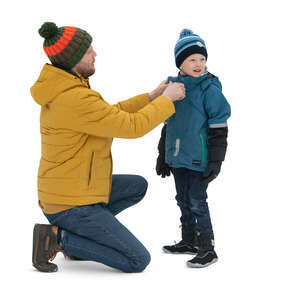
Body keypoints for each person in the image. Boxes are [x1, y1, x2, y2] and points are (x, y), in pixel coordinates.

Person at [30, 22, 185, 273]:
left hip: (68, 189)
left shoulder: (69, 87)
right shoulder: (74, 98)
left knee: (137, 186)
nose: (95, 54)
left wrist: (152, 97)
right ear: (73, 58)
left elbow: (111, 115)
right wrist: (167, 101)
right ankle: (59, 238)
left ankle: (80, 239)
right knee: (137, 260)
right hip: (70, 205)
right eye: (88, 50)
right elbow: (131, 126)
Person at [156, 29, 231, 268]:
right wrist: (162, 155)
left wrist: (216, 161)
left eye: (202, 59)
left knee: (197, 200)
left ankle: (207, 247)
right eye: (192, 59)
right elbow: (168, 123)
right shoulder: (174, 87)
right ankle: (189, 240)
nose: (199, 64)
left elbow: (220, 129)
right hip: (178, 157)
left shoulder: (209, 89)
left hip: (200, 158)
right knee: (182, 199)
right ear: (180, 63)